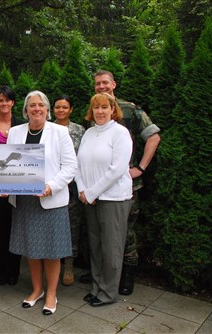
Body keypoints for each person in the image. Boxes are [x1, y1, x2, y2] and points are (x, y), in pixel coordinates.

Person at [79, 70, 161, 295]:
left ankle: (123, 279)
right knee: (98, 241)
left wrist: (141, 168)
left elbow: (153, 136)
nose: (102, 86)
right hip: (94, 194)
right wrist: (86, 190)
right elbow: (83, 160)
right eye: (97, 83)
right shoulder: (91, 127)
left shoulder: (130, 111)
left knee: (121, 239)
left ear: (113, 84)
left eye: (105, 82)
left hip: (120, 190)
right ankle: (100, 282)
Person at [7, 90, 77, 316]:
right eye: (32, 105)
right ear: (25, 110)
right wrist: (1, 185)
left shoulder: (59, 132)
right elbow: (8, 166)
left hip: (50, 199)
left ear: (47, 110)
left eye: (41, 105)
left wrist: (51, 187)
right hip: (24, 200)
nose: (36, 109)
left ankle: (51, 293)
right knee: (31, 248)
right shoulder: (16, 132)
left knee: (52, 251)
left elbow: (70, 167)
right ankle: (37, 290)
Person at [76, 92, 133, 307]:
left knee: (111, 248)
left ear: (112, 110)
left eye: (104, 107)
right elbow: (78, 165)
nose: (99, 112)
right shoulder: (89, 133)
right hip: (89, 199)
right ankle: (97, 288)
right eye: (96, 108)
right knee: (96, 246)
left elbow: (117, 169)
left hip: (113, 198)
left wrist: (91, 192)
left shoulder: (120, 133)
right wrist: (83, 189)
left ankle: (109, 293)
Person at [0, 86, 24, 286]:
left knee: (15, 227)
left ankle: (14, 272)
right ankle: (0, 272)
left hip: (16, 184)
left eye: (7, 100)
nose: (4, 104)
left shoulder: (22, 126)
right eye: (0, 100)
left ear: (13, 102)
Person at [52, 95, 86, 286]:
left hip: (73, 187)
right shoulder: (47, 128)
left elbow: (82, 158)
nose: (61, 110)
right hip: (52, 186)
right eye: (58, 107)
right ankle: (52, 263)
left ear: (71, 109)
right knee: (53, 226)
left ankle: (69, 266)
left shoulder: (79, 130)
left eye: (65, 107)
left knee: (72, 227)